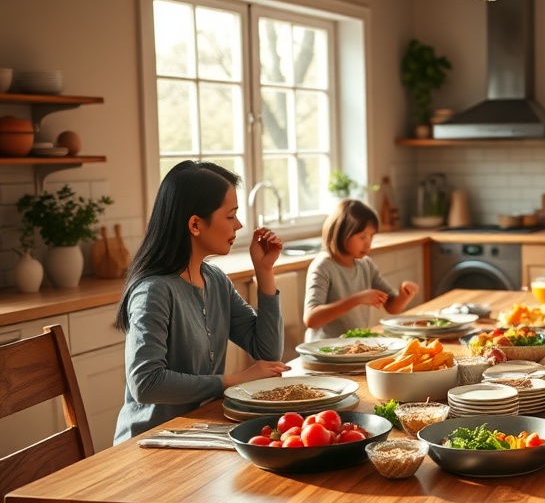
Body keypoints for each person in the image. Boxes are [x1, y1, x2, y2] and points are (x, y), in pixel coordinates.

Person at [113, 161, 288, 443]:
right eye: (230, 216)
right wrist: (231, 380)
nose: (239, 225)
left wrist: (264, 271)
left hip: (198, 432)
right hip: (150, 443)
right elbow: (146, 384)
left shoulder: (215, 280)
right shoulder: (154, 291)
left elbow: (267, 353)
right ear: (195, 224)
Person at [303, 199, 419, 340]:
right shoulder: (323, 266)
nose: (368, 243)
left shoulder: (365, 264)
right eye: (362, 236)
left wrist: (404, 295)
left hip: (354, 347)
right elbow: (311, 319)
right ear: (343, 232)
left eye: (371, 236)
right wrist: (356, 300)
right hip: (324, 350)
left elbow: (391, 307)